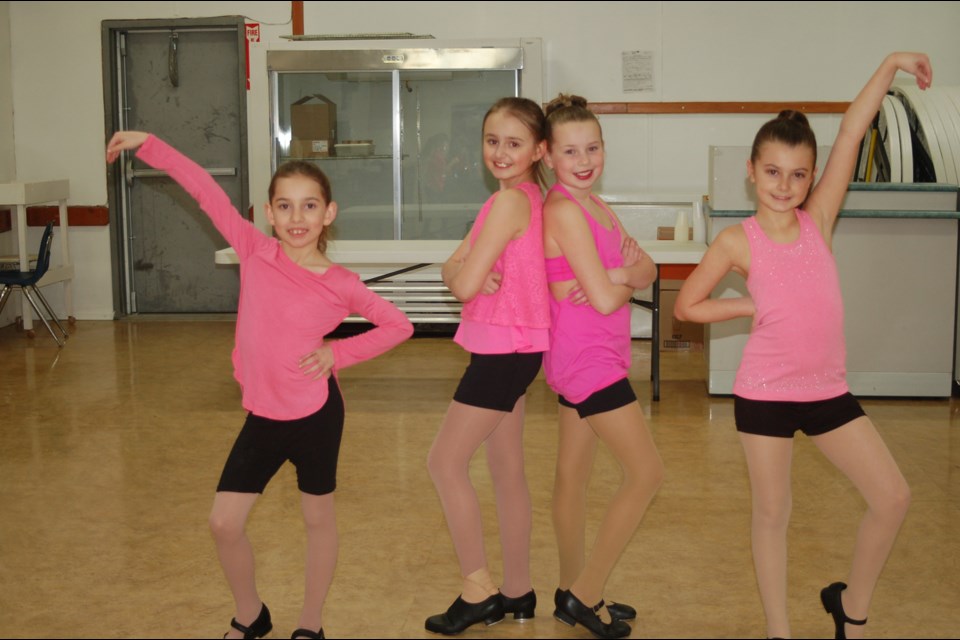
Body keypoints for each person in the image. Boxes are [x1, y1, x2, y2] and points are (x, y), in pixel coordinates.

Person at [106, 131, 414, 640]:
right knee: (224, 523)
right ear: (269, 213)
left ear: (328, 214)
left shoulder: (341, 283)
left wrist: (337, 352)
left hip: (316, 415)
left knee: (318, 519)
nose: (297, 218)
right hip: (265, 415)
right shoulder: (254, 251)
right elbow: (204, 189)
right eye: (286, 206)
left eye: (309, 206)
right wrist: (150, 144)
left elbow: (397, 325)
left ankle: (310, 624)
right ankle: (251, 615)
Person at [674, 52, 931, 640]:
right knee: (772, 514)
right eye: (772, 173)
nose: (785, 186)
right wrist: (745, 306)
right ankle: (779, 631)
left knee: (892, 497)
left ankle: (852, 610)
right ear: (752, 171)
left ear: (811, 176)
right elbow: (688, 305)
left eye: (797, 174)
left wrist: (890, 65)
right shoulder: (737, 240)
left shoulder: (819, 218)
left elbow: (850, 130)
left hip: (827, 391)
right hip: (763, 395)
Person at [424, 97, 549, 635]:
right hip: (517, 349)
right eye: (492, 141)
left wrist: (461, 274)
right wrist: (462, 269)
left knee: (443, 462)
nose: (500, 152)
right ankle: (518, 591)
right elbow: (456, 262)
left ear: (539, 150)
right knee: (506, 469)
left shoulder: (506, 205)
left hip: (503, 351)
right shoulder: (520, 199)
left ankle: (478, 591)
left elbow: (461, 279)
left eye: (514, 143)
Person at [541, 94, 663, 640]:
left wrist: (623, 275)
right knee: (647, 473)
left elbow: (651, 270)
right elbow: (613, 295)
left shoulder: (597, 204)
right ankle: (586, 595)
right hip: (587, 361)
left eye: (592, 147)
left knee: (573, 474)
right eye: (570, 151)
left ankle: (571, 587)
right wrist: (622, 275)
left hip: (597, 353)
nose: (583, 159)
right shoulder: (564, 208)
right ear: (547, 155)